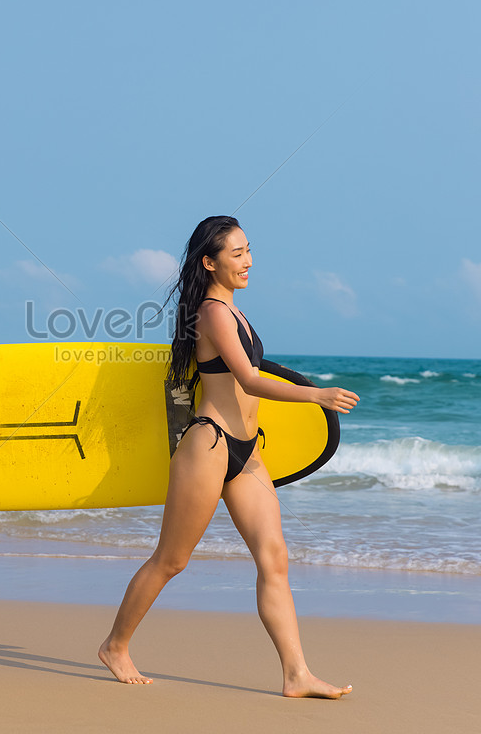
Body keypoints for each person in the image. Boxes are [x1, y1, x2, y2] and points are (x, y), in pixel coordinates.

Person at [98, 215, 357, 698]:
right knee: (172, 560)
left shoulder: (235, 313)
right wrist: (315, 396)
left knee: (273, 558)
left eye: (248, 250)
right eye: (235, 254)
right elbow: (249, 380)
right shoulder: (213, 312)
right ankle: (115, 645)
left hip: (247, 454)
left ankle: (296, 674)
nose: (247, 261)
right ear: (209, 262)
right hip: (210, 444)